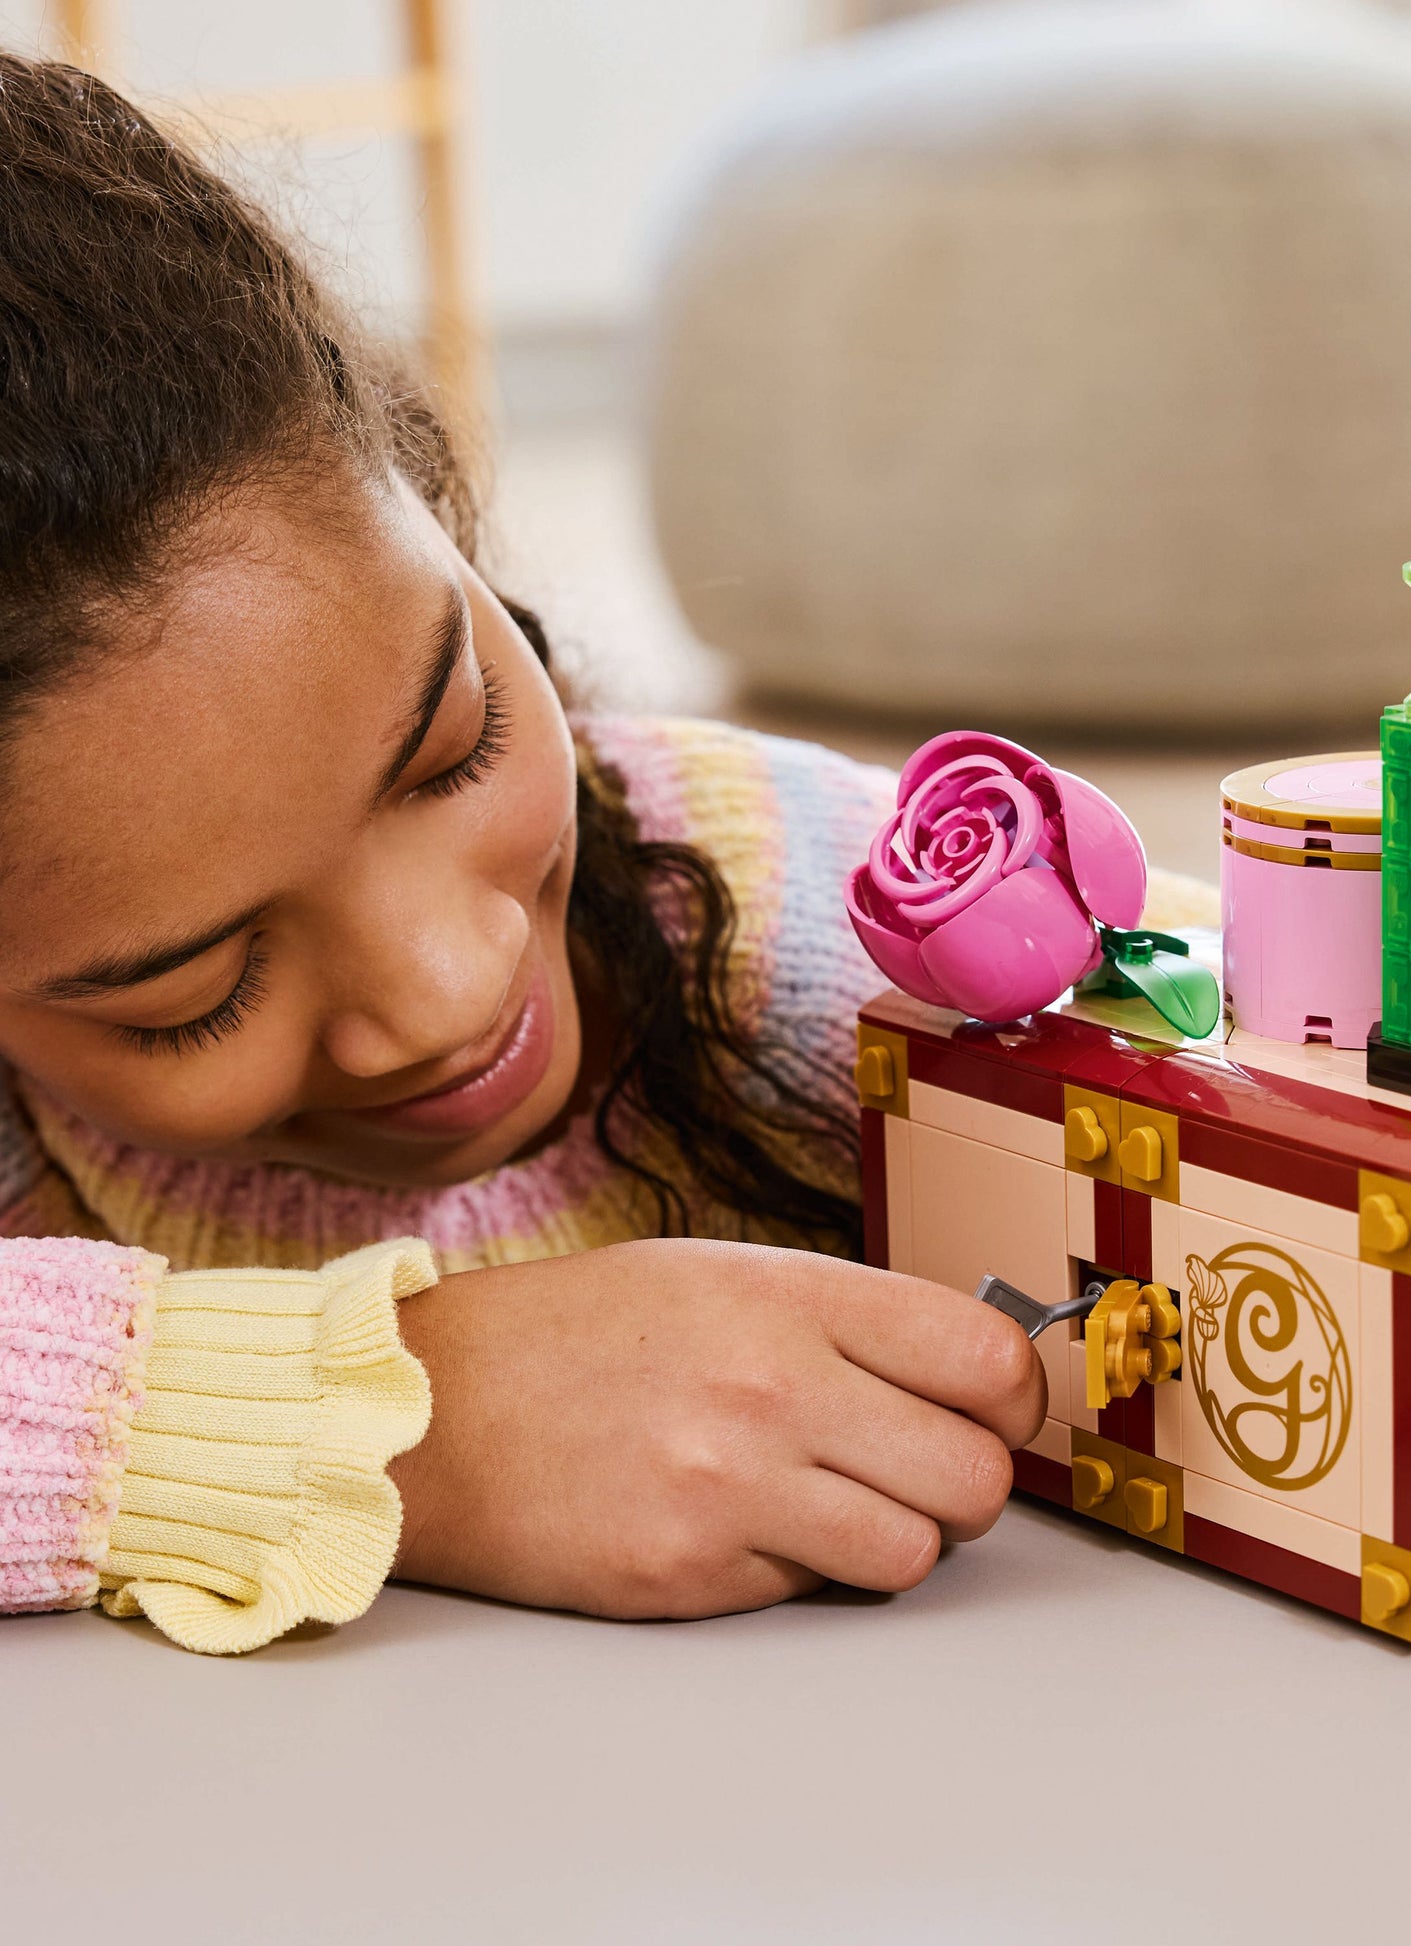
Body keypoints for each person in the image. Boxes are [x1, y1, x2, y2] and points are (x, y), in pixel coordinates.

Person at [0, 52, 1116, 1654]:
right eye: (196, 986)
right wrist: (410, 1423)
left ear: (429, 495)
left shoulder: (798, 904)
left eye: (455, 744)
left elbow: (1302, 1066)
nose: (452, 991)